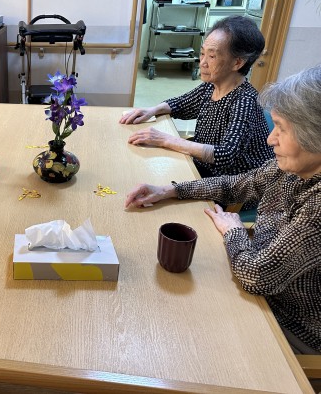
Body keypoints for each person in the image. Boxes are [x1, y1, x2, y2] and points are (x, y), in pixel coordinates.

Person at [124, 65, 321, 370]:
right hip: (259, 285)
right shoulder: (295, 168)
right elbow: (238, 184)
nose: (270, 139)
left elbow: (256, 275)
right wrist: (170, 190)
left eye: (281, 128)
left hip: (290, 323)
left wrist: (234, 231)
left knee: (176, 335)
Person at [120, 16, 274, 179]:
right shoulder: (212, 85)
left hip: (232, 182)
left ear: (237, 63)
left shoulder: (245, 100)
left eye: (212, 56)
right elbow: (183, 104)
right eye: (202, 53)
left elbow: (225, 155)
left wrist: (166, 140)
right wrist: (152, 110)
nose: (202, 63)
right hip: (205, 168)